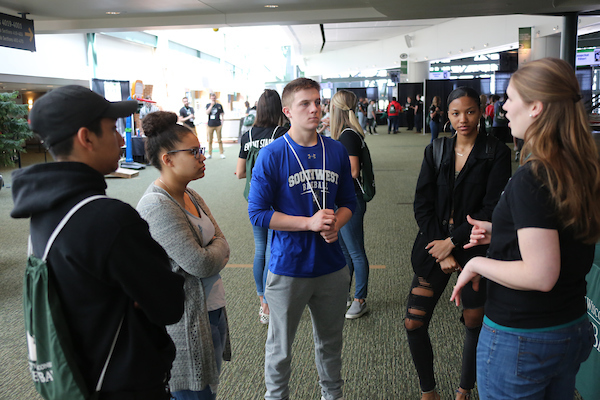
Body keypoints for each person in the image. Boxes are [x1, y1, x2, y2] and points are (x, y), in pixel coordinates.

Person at [10, 85, 185, 399]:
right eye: (113, 129)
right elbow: (169, 304)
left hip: (83, 378)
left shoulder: (43, 213)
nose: (121, 139)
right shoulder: (109, 219)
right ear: (86, 138)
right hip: (127, 383)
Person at [451, 57, 600, 400]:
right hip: (569, 326)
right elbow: (559, 232)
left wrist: (475, 264)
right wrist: (501, 233)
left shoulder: (533, 176)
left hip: (523, 336)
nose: (502, 107)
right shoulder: (578, 164)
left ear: (536, 107)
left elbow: (541, 274)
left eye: (510, 98)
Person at [248, 77, 356, 400]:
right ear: (287, 111)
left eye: (317, 101)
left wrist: (337, 220)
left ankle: (331, 396)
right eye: (305, 104)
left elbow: (349, 203)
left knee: (331, 344)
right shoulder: (273, 155)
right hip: (287, 268)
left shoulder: (335, 150)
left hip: (332, 267)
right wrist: (308, 223)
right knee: (279, 349)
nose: (315, 109)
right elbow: (258, 214)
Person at [406, 87, 511, 400]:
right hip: (433, 246)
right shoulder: (436, 149)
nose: (463, 119)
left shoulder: (496, 151)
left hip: (474, 247)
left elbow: (491, 208)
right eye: (455, 113)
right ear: (446, 116)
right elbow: (421, 203)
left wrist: (451, 242)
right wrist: (441, 246)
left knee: (473, 319)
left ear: (480, 112)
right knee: (413, 322)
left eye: (470, 111)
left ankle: (464, 389)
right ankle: (428, 391)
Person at [137, 111, 231, 400]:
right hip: (186, 321)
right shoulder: (157, 206)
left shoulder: (191, 194)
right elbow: (201, 263)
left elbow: (224, 243)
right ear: (167, 159)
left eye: (200, 150)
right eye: (194, 152)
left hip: (209, 311)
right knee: (194, 393)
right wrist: (216, 249)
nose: (202, 156)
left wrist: (216, 248)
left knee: (207, 390)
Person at [236, 89, 288, 324]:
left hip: (255, 199)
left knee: (260, 249)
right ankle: (271, 300)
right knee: (271, 249)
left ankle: (262, 302)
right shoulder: (282, 133)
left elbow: (239, 173)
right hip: (277, 199)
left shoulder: (247, 135)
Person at [330, 90, 371, 319]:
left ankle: (360, 298)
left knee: (355, 252)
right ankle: (346, 294)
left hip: (350, 199)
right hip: (343, 199)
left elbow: (353, 171)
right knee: (345, 251)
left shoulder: (348, 135)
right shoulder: (347, 134)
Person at [205, 93, 225, 159]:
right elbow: (207, 113)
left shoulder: (219, 105)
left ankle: (221, 153)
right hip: (210, 124)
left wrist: (222, 121)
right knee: (210, 140)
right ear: (210, 98)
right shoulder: (208, 105)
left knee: (219, 140)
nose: (213, 99)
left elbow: (222, 113)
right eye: (212, 98)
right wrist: (211, 105)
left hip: (218, 124)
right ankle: (209, 153)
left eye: (214, 98)